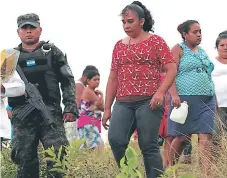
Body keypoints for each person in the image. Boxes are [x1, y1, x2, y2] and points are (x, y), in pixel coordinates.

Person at [102, 1, 177, 177]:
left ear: (141, 21)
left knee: (148, 144)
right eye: (124, 22)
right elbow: (113, 78)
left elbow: (171, 68)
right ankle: (131, 174)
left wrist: (160, 92)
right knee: (116, 140)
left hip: (149, 100)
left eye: (130, 21)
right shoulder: (119, 46)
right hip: (123, 102)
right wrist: (107, 108)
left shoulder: (156, 41)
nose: (126, 25)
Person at [8, 13, 79, 178]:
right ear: (18, 31)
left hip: (50, 113)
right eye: (24, 28)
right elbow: (3, 85)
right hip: (22, 116)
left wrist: (70, 107)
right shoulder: (10, 57)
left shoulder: (53, 52)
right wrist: (7, 107)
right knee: (24, 160)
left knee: (58, 158)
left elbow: (67, 80)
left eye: (32, 27)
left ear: (40, 29)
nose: (28, 31)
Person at [168, 20, 216, 175]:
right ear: (185, 34)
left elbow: (208, 75)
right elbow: (169, 73)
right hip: (185, 100)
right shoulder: (178, 49)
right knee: (182, 138)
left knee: (206, 136)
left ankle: (205, 173)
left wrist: (214, 96)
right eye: (195, 32)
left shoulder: (202, 51)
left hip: (207, 99)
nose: (199, 35)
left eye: (200, 31)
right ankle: (170, 168)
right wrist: (174, 94)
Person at [64, 65, 99, 141]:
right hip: (76, 120)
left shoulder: (81, 85)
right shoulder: (79, 85)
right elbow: (77, 104)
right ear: (86, 77)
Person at [77, 70, 104, 149]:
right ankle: (96, 161)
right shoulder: (89, 91)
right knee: (95, 146)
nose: (97, 82)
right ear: (88, 81)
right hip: (89, 122)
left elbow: (100, 106)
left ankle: (89, 161)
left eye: (98, 79)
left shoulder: (91, 92)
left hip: (85, 122)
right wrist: (102, 95)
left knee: (84, 147)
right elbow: (102, 107)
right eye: (95, 80)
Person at [212, 31, 227, 145]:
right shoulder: (211, 63)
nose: (225, 48)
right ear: (217, 47)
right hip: (217, 105)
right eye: (222, 45)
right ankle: (213, 162)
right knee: (216, 135)